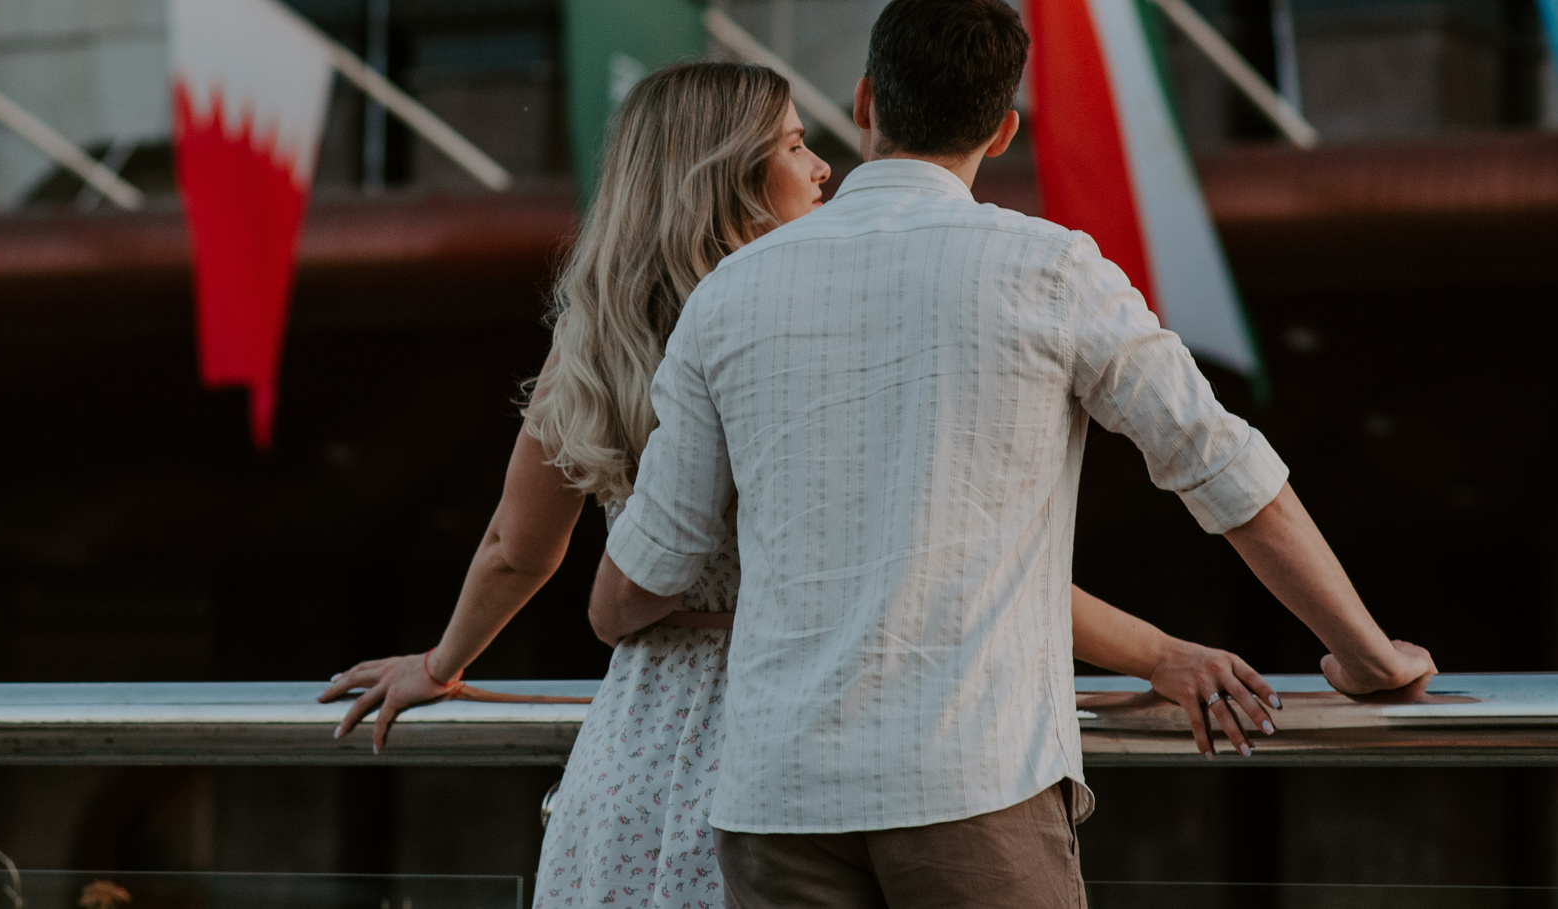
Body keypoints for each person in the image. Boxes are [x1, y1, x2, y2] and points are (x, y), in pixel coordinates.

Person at [320, 60, 1283, 909]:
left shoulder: (595, 337)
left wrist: (440, 662)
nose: (825, 164)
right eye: (792, 144)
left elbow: (515, 546)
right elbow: (953, 559)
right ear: (728, 180)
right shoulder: (800, 329)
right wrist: (1158, 651)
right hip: (800, 739)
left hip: (641, 749)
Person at [590, 0, 1436, 909]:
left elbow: (651, 568)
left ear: (868, 102)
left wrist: (609, 612)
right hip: (973, 775)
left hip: (775, 796)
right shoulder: (1054, 269)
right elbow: (1224, 471)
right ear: (1003, 131)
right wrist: (1368, 656)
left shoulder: (731, 293)